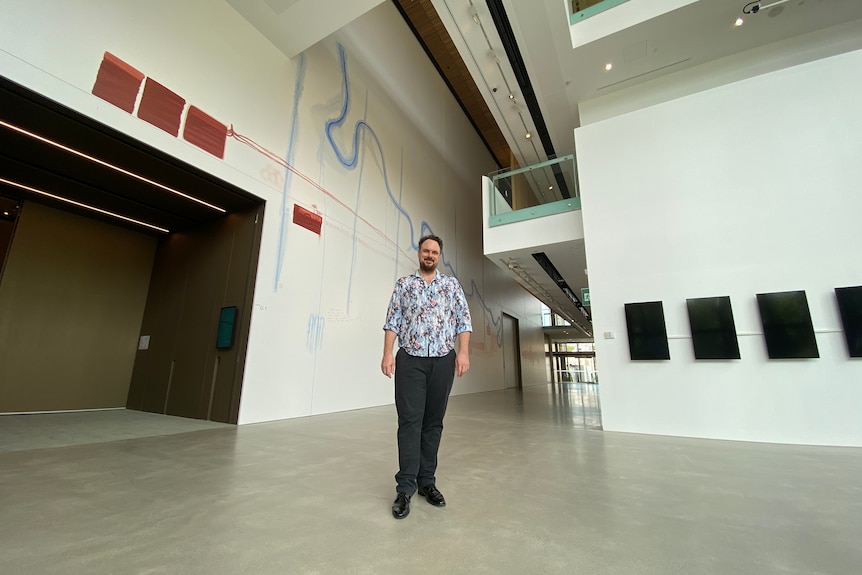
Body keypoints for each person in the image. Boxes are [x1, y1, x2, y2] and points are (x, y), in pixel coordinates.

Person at [381, 234, 472, 519]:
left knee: (433, 424)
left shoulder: (451, 285)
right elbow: (392, 321)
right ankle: (405, 488)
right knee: (410, 423)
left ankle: (427, 483)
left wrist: (463, 353)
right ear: (419, 254)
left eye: (434, 251)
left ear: (439, 255)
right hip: (410, 360)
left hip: (443, 361)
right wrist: (387, 353)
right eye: (426, 251)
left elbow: (463, 320)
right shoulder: (404, 285)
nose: (430, 255)